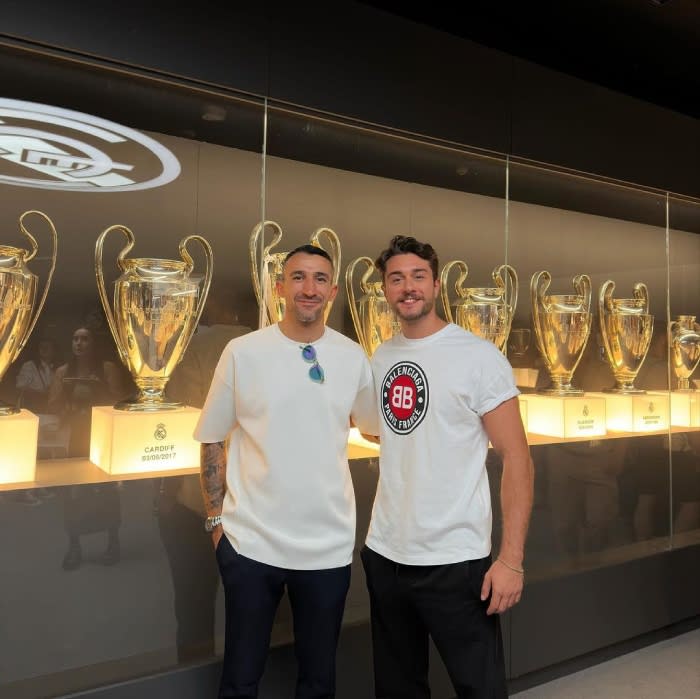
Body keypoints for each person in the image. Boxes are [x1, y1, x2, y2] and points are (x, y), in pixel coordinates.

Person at [194, 244, 377, 698]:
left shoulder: (353, 356)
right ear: (279, 287)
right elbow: (212, 437)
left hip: (327, 548)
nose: (308, 288)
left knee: (318, 681)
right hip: (251, 544)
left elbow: (376, 428)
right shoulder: (244, 352)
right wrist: (218, 523)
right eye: (297, 277)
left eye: (319, 279)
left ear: (333, 290)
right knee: (240, 679)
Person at [361, 235, 534, 699]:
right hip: (385, 552)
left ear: (436, 285)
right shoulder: (382, 356)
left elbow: (517, 457)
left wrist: (511, 560)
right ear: (385, 290)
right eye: (396, 279)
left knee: (479, 688)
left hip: (456, 560)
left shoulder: (477, 357)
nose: (407, 287)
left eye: (418, 276)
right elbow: (381, 431)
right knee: (398, 688)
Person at [157, 287, 252, 663]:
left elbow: (181, 419)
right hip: (257, 500)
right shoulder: (274, 345)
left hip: (194, 499)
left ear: (217, 304)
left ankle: (194, 673)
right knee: (260, 606)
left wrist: (163, 494)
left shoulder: (194, 347)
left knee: (194, 604)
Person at [48, 325, 124, 571]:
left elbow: (118, 402)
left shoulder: (107, 368)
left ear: (93, 344)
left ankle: (113, 542)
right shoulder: (62, 371)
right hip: (77, 436)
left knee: (107, 491)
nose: (79, 343)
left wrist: (99, 387)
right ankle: (74, 545)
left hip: (102, 436)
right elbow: (53, 405)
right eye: (75, 338)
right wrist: (65, 405)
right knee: (73, 493)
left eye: (85, 338)